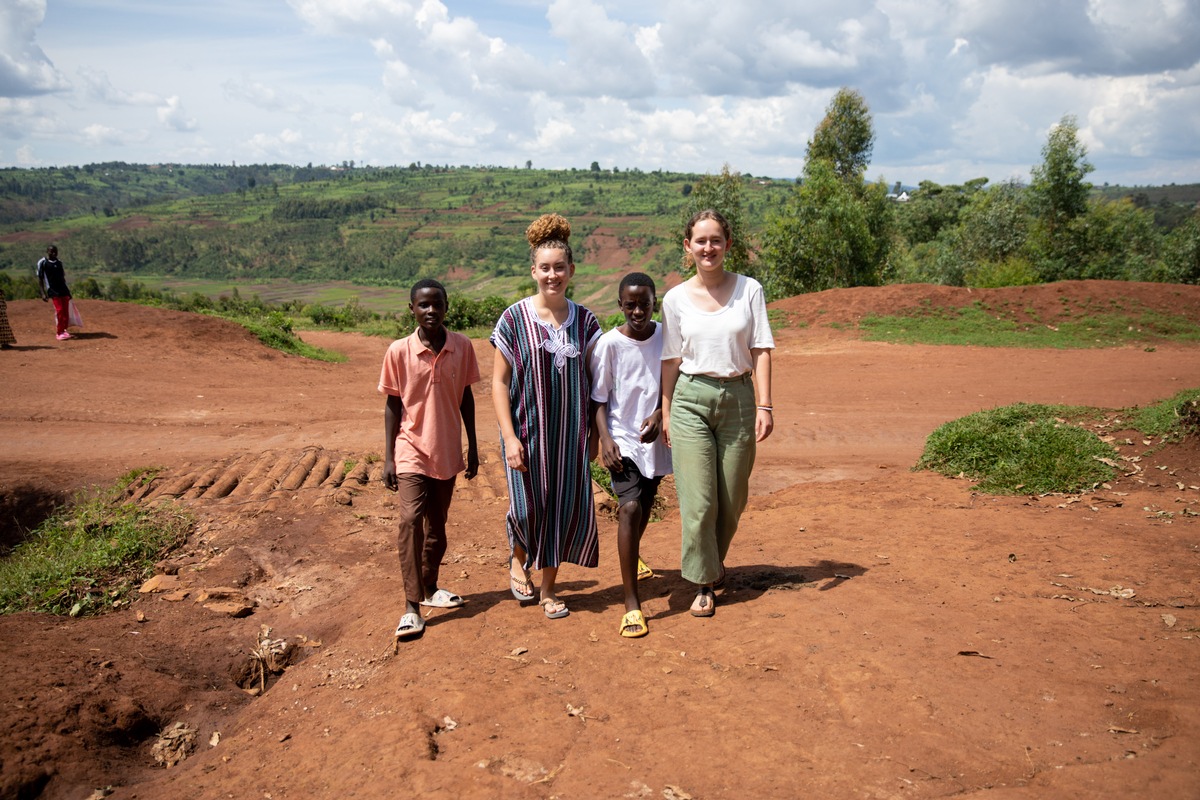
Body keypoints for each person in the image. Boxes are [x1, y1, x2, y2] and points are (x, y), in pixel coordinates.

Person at [661, 209, 774, 618]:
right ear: (688, 247)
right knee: (699, 501)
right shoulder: (673, 299)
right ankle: (704, 582)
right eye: (700, 241)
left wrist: (765, 404)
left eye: (716, 240)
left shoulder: (750, 290)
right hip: (691, 398)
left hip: (740, 399)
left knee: (731, 499)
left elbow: (760, 349)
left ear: (727, 244)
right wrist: (667, 411)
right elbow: (671, 360)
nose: (708, 248)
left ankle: (712, 561)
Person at [491, 213, 601, 620]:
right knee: (526, 508)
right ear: (533, 270)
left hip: (570, 438)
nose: (552, 275)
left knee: (561, 508)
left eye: (560, 267)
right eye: (545, 268)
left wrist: (594, 433)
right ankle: (518, 559)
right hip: (525, 433)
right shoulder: (514, 319)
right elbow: (499, 383)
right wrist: (510, 435)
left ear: (571, 270)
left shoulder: (586, 321)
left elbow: (597, 384)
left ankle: (550, 590)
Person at [379, 278, 480, 641]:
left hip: (448, 448)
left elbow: (466, 397)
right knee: (410, 520)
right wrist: (389, 457)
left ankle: (430, 586)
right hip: (410, 449)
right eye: (423, 305)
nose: (431, 311)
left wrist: (473, 446)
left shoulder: (462, 347)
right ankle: (411, 607)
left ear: (446, 306)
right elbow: (393, 404)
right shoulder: (398, 351)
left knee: (437, 527)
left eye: (437, 304)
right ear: (412, 310)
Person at [591, 272, 671, 638]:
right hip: (622, 438)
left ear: (655, 301)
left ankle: (633, 553)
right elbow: (600, 399)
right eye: (630, 304)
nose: (637, 311)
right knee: (630, 507)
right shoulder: (609, 344)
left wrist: (659, 415)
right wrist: (604, 438)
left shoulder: (666, 337)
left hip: (655, 438)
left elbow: (674, 381)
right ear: (619, 305)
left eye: (644, 303)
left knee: (647, 500)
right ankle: (631, 604)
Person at [36, 245, 73, 340]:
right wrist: (43, 293)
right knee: (59, 310)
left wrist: (68, 292)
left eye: (55, 251)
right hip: (53, 290)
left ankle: (64, 330)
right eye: (51, 251)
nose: (54, 253)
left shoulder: (59, 263)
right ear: (47, 252)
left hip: (63, 290)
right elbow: (40, 279)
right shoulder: (43, 263)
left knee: (65, 311)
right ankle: (59, 332)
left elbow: (62, 278)